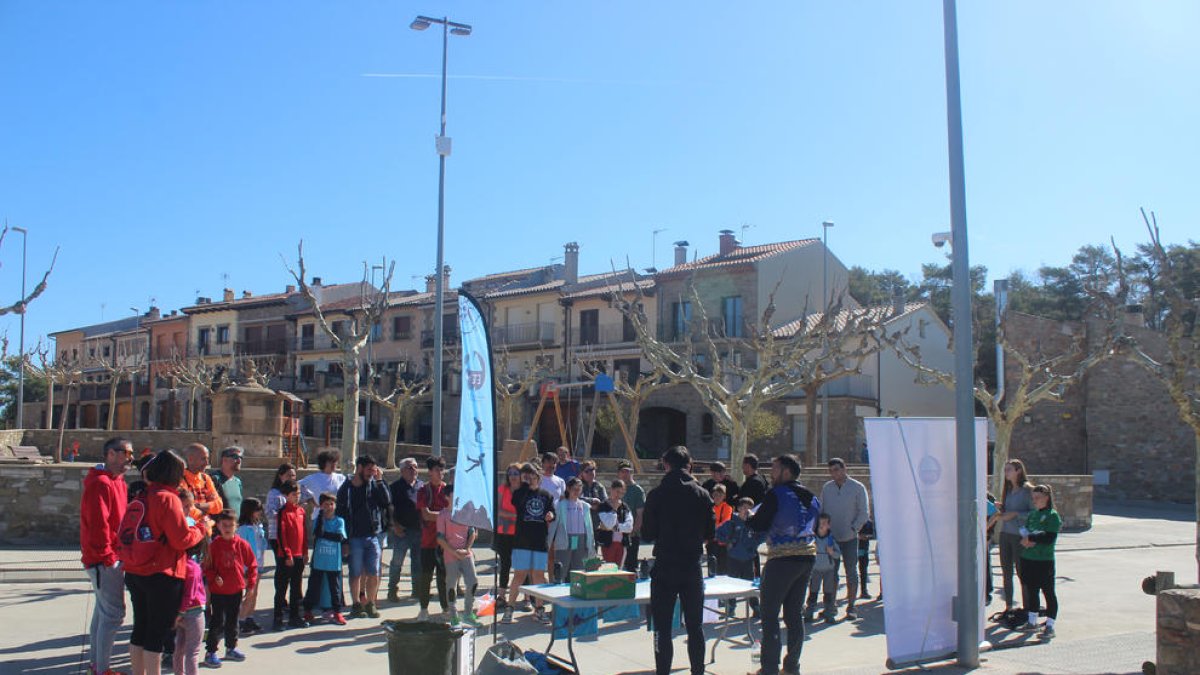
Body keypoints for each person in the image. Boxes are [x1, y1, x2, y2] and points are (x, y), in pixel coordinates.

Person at [120, 450, 207, 675]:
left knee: (140, 627)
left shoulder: (143, 495)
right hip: (161, 572)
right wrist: (200, 529)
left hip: (135, 570)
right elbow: (181, 540)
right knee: (156, 634)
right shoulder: (168, 498)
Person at [747, 453, 821, 675]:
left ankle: (769, 668)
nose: (771, 472)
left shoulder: (776, 494)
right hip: (806, 558)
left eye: (775, 468)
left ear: (786, 472)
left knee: (769, 615)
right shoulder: (812, 497)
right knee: (794, 615)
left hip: (781, 560)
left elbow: (759, 524)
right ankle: (792, 667)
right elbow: (818, 527)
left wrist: (747, 518)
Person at [643, 446, 714, 675]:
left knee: (662, 629)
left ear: (666, 465)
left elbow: (647, 532)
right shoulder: (702, 494)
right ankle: (698, 672)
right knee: (695, 627)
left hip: (665, 564)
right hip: (691, 564)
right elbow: (710, 532)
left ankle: (663, 671)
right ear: (689, 465)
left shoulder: (657, 494)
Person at [81, 436, 132, 675]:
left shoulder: (118, 481)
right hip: (105, 559)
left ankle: (96, 665)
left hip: (110, 556)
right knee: (113, 615)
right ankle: (102, 669)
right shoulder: (100, 483)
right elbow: (98, 523)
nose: (130, 458)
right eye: (126, 453)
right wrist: (107, 556)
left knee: (103, 613)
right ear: (111, 454)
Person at [336, 454, 391, 619]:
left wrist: (380, 481)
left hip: (373, 536)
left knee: (374, 573)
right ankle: (356, 604)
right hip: (354, 538)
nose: (371, 473)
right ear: (359, 468)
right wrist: (344, 540)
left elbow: (386, 502)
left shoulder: (374, 485)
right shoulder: (346, 489)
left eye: (373, 470)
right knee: (356, 573)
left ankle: (371, 603)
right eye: (368, 470)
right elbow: (340, 516)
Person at [503, 463, 556, 624]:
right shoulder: (520, 493)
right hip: (522, 541)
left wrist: (550, 515)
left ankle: (539, 609)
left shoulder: (546, 495)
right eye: (528, 476)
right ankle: (510, 608)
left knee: (538, 575)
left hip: (540, 540)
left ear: (539, 477)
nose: (531, 479)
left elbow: (552, 511)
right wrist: (525, 484)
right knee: (520, 575)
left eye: (534, 476)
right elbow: (517, 502)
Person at [203, 510, 257, 667]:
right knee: (217, 621)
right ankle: (210, 651)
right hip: (218, 592)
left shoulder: (242, 545)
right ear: (218, 526)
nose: (227, 528)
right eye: (224, 525)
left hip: (236, 590)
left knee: (233, 621)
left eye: (230, 525)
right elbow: (207, 566)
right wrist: (214, 577)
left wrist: (251, 586)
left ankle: (231, 648)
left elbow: (252, 565)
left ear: (236, 526)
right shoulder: (213, 546)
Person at [819, 457, 869, 620]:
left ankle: (851, 606)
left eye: (837, 470)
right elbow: (822, 510)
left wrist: (854, 528)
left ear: (844, 469)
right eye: (831, 470)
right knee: (831, 573)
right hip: (831, 538)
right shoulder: (827, 488)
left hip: (849, 538)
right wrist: (823, 531)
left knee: (851, 572)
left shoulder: (857, 487)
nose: (834, 473)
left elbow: (864, 512)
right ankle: (830, 606)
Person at [1018, 484, 1061, 639]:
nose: (1035, 501)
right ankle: (1032, 622)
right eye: (1033, 498)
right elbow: (1026, 531)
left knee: (1048, 592)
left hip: (1044, 560)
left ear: (1046, 498)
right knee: (1032, 590)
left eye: (1038, 498)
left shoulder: (1052, 515)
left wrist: (1032, 538)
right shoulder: (1033, 515)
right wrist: (1025, 538)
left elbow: (1049, 537)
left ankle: (1049, 625)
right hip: (1029, 558)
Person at [436, 484, 480, 627]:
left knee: (473, 582)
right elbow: (440, 538)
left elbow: (472, 532)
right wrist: (454, 552)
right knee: (451, 585)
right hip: (450, 555)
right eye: (455, 494)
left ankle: (468, 613)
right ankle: (454, 615)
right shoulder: (442, 515)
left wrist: (466, 549)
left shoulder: (466, 512)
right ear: (447, 496)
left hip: (466, 554)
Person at [414, 455, 450, 620]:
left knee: (444, 578)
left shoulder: (448, 490)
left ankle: (446, 608)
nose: (441, 472)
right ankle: (423, 609)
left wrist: (443, 516)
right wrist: (445, 515)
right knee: (426, 577)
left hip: (445, 542)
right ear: (430, 472)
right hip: (428, 541)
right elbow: (426, 515)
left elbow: (455, 514)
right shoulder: (423, 490)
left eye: (442, 469)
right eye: (437, 469)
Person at [304, 492, 348, 626]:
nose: (329, 507)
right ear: (321, 506)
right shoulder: (319, 519)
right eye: (326, 504)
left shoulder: (339, 520)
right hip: (319, 560)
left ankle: (337, 612)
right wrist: (322, 521)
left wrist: (325, 535)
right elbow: (317, 534)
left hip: (333, 562)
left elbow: (339, 537)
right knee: (313, 587)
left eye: (331, 504)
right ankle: (308, 611)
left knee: (335, 588)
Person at [715, 496, 763, 616]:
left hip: (748, 558)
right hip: (733, 558)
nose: (747, 510)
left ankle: (755, 607)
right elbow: (718, 533)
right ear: (738, 509)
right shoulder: (732, 523)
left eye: (749, 508)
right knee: (732, 584)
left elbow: (762, 535)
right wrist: (728, 540)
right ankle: (731, 607)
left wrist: (754, 545)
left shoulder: (754, 524)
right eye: (744, 507)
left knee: (750, 584)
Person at [997, 459, 1033, 612]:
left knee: (1022, 573)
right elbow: (1007, 511)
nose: (1006, 473)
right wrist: (1002, 509)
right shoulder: (1008, 490)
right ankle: (1009, 606)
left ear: (1018, 470)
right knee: (1006, 572)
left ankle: (1027, 607)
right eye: (1005, 470)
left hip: (1020, 536)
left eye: (1009, 469)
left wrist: (1016, 514)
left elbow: (1034, 512)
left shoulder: (1028, 490)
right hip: (1005, 534)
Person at [387, 457, 424, 603]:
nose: (413, 470)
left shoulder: (421, 486)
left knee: (417, 563)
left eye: (415, 467)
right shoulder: (395, 487)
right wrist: (395, 525)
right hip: (401, 531)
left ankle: (417, 591)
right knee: (397, 562)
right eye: (409, 467)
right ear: (402, 471)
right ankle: (392, 590)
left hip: (419, 531)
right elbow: (389, 509)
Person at [273, 480, 308, 630]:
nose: (297, 497)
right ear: (286, 496)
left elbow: (304, 534)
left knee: (296, 587)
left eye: (298, 494)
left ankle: (295, 617)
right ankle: (278, 618)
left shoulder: (301, 511)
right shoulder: (282, 512)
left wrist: (305, 552)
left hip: (299, 554)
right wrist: (287, 555)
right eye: (294, 494)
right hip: (286, 557)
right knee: (282, 588)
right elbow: (281, 535)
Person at [549, 477, 595, 582]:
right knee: (561, 567)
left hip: (580, 539)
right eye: (574, 489)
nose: (576, 492)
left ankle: (577, 592)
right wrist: (548, 542)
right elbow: (553, 525)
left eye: (579, 489)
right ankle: (557, 590)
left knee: (579, 568)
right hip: (565, 538)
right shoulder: (560, 505)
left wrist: (591, 543)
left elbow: (589, 527)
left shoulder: (585, 506)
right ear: (568, 489)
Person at [173, 539, 207, 675]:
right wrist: (182, 611)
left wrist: (178, 613)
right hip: (194, 611)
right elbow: (191, 593)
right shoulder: (193, 567)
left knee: (179, 649)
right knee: (193, 652)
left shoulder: (177, 565)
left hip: (180, 612)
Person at [236, 498, 267, 635]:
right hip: (248, 566)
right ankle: (240, 620)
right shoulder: (243, 529)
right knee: (249, 593)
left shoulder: (257, 526)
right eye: (257, 510)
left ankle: (250, 617)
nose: (259, 513)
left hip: (258, 562)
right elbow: (241, 549)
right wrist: (245, 567)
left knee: (254, 593)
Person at [805, 513, 841, 624]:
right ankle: (809, 613)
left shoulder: (831, 539)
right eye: (820, 523)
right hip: (815, 569)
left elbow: (838, 554)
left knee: (828, 593)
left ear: (829, 526)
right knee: (813, 592)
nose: (822, 525)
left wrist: (831, 552)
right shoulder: (812, 538)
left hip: (828, 569)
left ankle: (829, 614)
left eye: (825, 523)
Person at [495, 463, 522, 608]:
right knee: (505, 564)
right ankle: (501, 595)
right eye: (510, 473)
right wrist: (515, 515)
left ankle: (526, 597)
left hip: (520, 533)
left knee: (521, 565)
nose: (513, 476)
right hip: (504, 532)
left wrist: (511, 516)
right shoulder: (502, 489)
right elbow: (498, 510)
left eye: (515, 473)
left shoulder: (524, 490)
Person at [265, 464, 297, 571]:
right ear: (281, 476)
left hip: (291, 534)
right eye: (288, 475)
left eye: (293, 476)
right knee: (282, 567)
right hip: (277, 534)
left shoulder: (296, 493)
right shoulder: (274, 494)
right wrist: (284, 511)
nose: (291, 478)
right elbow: (269, 513)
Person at [616, 460, 646, 573]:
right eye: (623, 471)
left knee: (631, 566)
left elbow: (640, 514)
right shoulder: (617, 488)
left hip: (631, 534)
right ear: (618, 473)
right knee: (616, 565)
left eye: (628, 471)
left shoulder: (637, 490)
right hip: (617, 533)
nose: (625, 474)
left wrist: (634, 530)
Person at [299, 449, 346, 520]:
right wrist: (309, 499)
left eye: (335, 462)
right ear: (323, 463)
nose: (334, 464)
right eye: (331, 462)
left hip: (336, 518)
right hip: (319, 518)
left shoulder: (341, 478)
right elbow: (297, 485)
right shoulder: (313, 478)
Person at [181, 443, 222, 520]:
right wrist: (207, 509)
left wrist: (198, 506)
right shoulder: (181, 479)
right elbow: (188, 510)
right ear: (190, 459)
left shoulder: (206, 478)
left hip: (207, 528)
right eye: (203, 459)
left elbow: (219, 505)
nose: (207, 463)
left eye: (207, 459)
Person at [596, 479, 633, 565]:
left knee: (619, 570)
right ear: (611, 490)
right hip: (608, 543)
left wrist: (615, 528)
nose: (619, 495)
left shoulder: (624, 507)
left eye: (622, 493)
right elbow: (609, 524)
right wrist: (614, 509)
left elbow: (629, 527)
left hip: (622, 544)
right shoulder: (603, 506)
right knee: (609, 569)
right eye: (617, 491)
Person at [210, 446, 244, 517]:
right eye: (235, 457)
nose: (239, 461)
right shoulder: (214, 479)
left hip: (234, 526)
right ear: (224, 459)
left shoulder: (237, 482)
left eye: (241, 457)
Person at [707, 483, 732, 575]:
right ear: (712, 495)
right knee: (712, 566)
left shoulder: (728, 508)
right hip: (711, 541)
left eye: (720, 495)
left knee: (722, 567)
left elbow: (725, 522)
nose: (717, 497)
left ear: (724, 496)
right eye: (716, 494)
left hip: (722, 543)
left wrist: (713, 527)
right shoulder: (709, 507)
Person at [857, 518, 876, 600]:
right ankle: (850, 591)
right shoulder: (854, 518)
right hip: (854, 548)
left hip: (864, 548)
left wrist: (865, 537)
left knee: (863, 569)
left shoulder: (869, 522)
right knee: (851, 571)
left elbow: (872, 535)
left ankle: (863, 590)